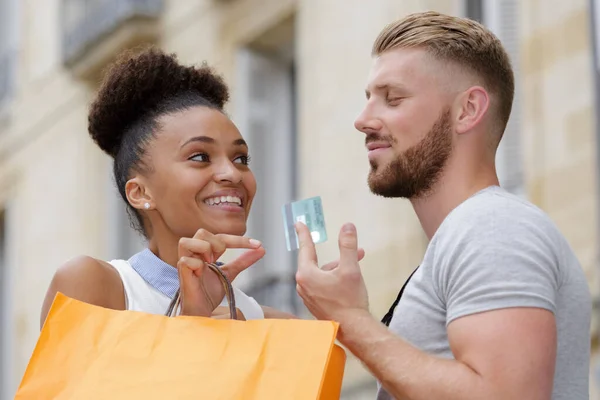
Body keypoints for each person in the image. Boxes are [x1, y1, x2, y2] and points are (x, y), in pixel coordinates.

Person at [294, 11, 591, 400]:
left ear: (467, 110)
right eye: (368, 99)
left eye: (392, 98)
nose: (363, 120)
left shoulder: (493, 226)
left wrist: (350, 319)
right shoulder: (467, 236)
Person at [40, 48, 300, 324]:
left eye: (241, 158)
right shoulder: (94, 286)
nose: (232, 173)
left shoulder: (268, 322)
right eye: (200, 156)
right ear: (140, 193)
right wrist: (192, 323)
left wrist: (338, 310)